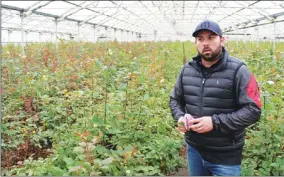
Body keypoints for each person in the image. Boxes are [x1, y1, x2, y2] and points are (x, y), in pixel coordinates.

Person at [169, 19, 261, 176]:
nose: (205, 43)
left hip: (225, 155)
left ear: (222, 40)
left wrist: (214, 122)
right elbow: (175, 100)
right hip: (194, 150)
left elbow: (253, 110)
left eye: (211, 38)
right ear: (195, 42)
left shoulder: (239, 70)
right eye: (200, 39)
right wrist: (180, 117)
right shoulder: (187, 70)